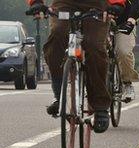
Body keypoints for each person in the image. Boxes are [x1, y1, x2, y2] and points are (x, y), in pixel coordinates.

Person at [26, 0, 126, 133]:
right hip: (64, 3)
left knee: (94, 46)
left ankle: (100, 106)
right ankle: (58, 94)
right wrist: (36, 3)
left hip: (97, 4)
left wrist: (117, 4)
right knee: (57, 35)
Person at [114, 0, 139, 102]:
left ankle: (127, 83)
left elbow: (137, 3)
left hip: (125, 23)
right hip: (101, 21)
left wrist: (132, 19)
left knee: (123, 51)